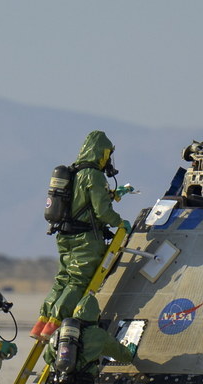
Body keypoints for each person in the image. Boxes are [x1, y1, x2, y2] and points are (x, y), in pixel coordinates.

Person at [31, 130, 132, 340]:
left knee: (63, 279)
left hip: (65, 237)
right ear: (101, 153)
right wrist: (121, 224)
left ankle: (41, 322)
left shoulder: (74, 173)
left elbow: (83, 204)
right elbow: (101, 211)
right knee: (78, 282)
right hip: (86, 240)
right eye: (107, 154)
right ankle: (53, 325)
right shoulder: (94, 175)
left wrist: (114, 194)